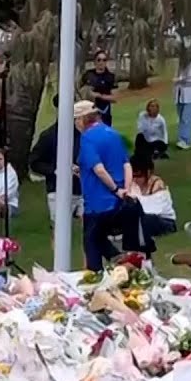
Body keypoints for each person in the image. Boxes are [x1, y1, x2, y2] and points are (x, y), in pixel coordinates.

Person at [75, 100, 149, 271]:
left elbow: (99, 169)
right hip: (118, 202)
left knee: (91, 242)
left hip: (97, 202)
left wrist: (115, 189)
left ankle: (97, 275)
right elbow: (126, 165)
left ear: (81, 120)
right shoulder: (113, 134)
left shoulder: (87, 139)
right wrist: (125, 190)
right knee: (100, 238)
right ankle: (122, 261)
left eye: (76, 120)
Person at [29, 95, 82, 232]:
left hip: (83, 189)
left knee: (89, 230)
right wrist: (55, 170)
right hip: (57, 190)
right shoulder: (49, 136)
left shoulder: (83, 134)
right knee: (59, 229)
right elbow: (34, 162)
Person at [129, 155, 176, 237]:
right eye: (133, 176)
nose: (135, 179)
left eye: (138, 176)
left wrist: (133, 198)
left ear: (148, 172)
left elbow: (151, 210)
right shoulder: (132, 184)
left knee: (147, 219)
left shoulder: (158, 185)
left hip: (164, 221)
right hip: (142, 218)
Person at [83, 51, 117, 126]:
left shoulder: (110, 77)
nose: (101, 62)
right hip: (88, 112)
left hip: (104, 113)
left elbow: (115, 98)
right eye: (99, 60)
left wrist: (99, 96)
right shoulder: (88, 75)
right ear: (95, 62)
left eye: (104, 60)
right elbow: (81, 91)